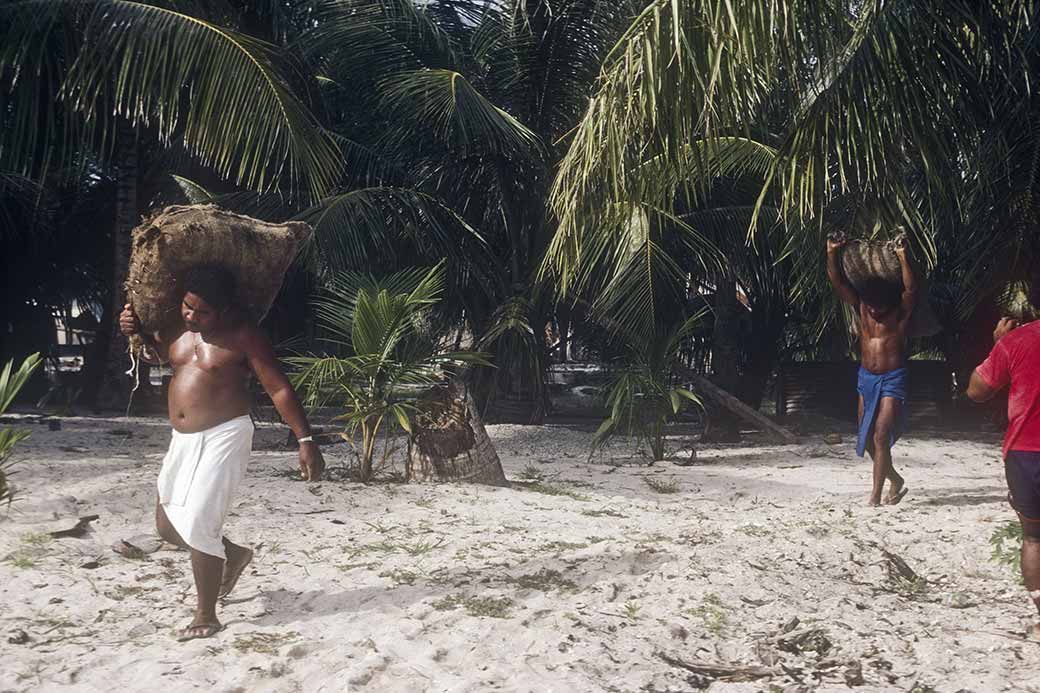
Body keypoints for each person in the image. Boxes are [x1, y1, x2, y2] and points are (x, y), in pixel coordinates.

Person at [119, 264, 325, 641]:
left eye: (202, 311)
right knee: (166, 525)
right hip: (182, 439)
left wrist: (305, 440)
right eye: (187, 306)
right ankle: (232, 554)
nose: (192, 316)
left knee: (198, 522)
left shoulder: (244, 337)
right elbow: (157, 356)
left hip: (225, 435)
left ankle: (206, 614)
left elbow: (279, 388)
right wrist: (135, 333)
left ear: (225, 310)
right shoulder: (176, 329)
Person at [967, 277, 1040, 637]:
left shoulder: (1016, 341)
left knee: (1034, 537)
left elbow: (976, 391)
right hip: (1025, 453)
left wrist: (1000, 346)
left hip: (1025, 454)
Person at [826, 232, 917, 506]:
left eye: (881, 308)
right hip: (866, 378)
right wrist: (831, 252)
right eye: (872, 307)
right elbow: (837, 282)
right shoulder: (862, 306)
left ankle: (875, 496)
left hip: (892, 379)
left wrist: (902, 257)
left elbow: (911, 290)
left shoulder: (899, 312)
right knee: (866, 439)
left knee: (880, 435)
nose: (875, 312)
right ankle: (896, 480)